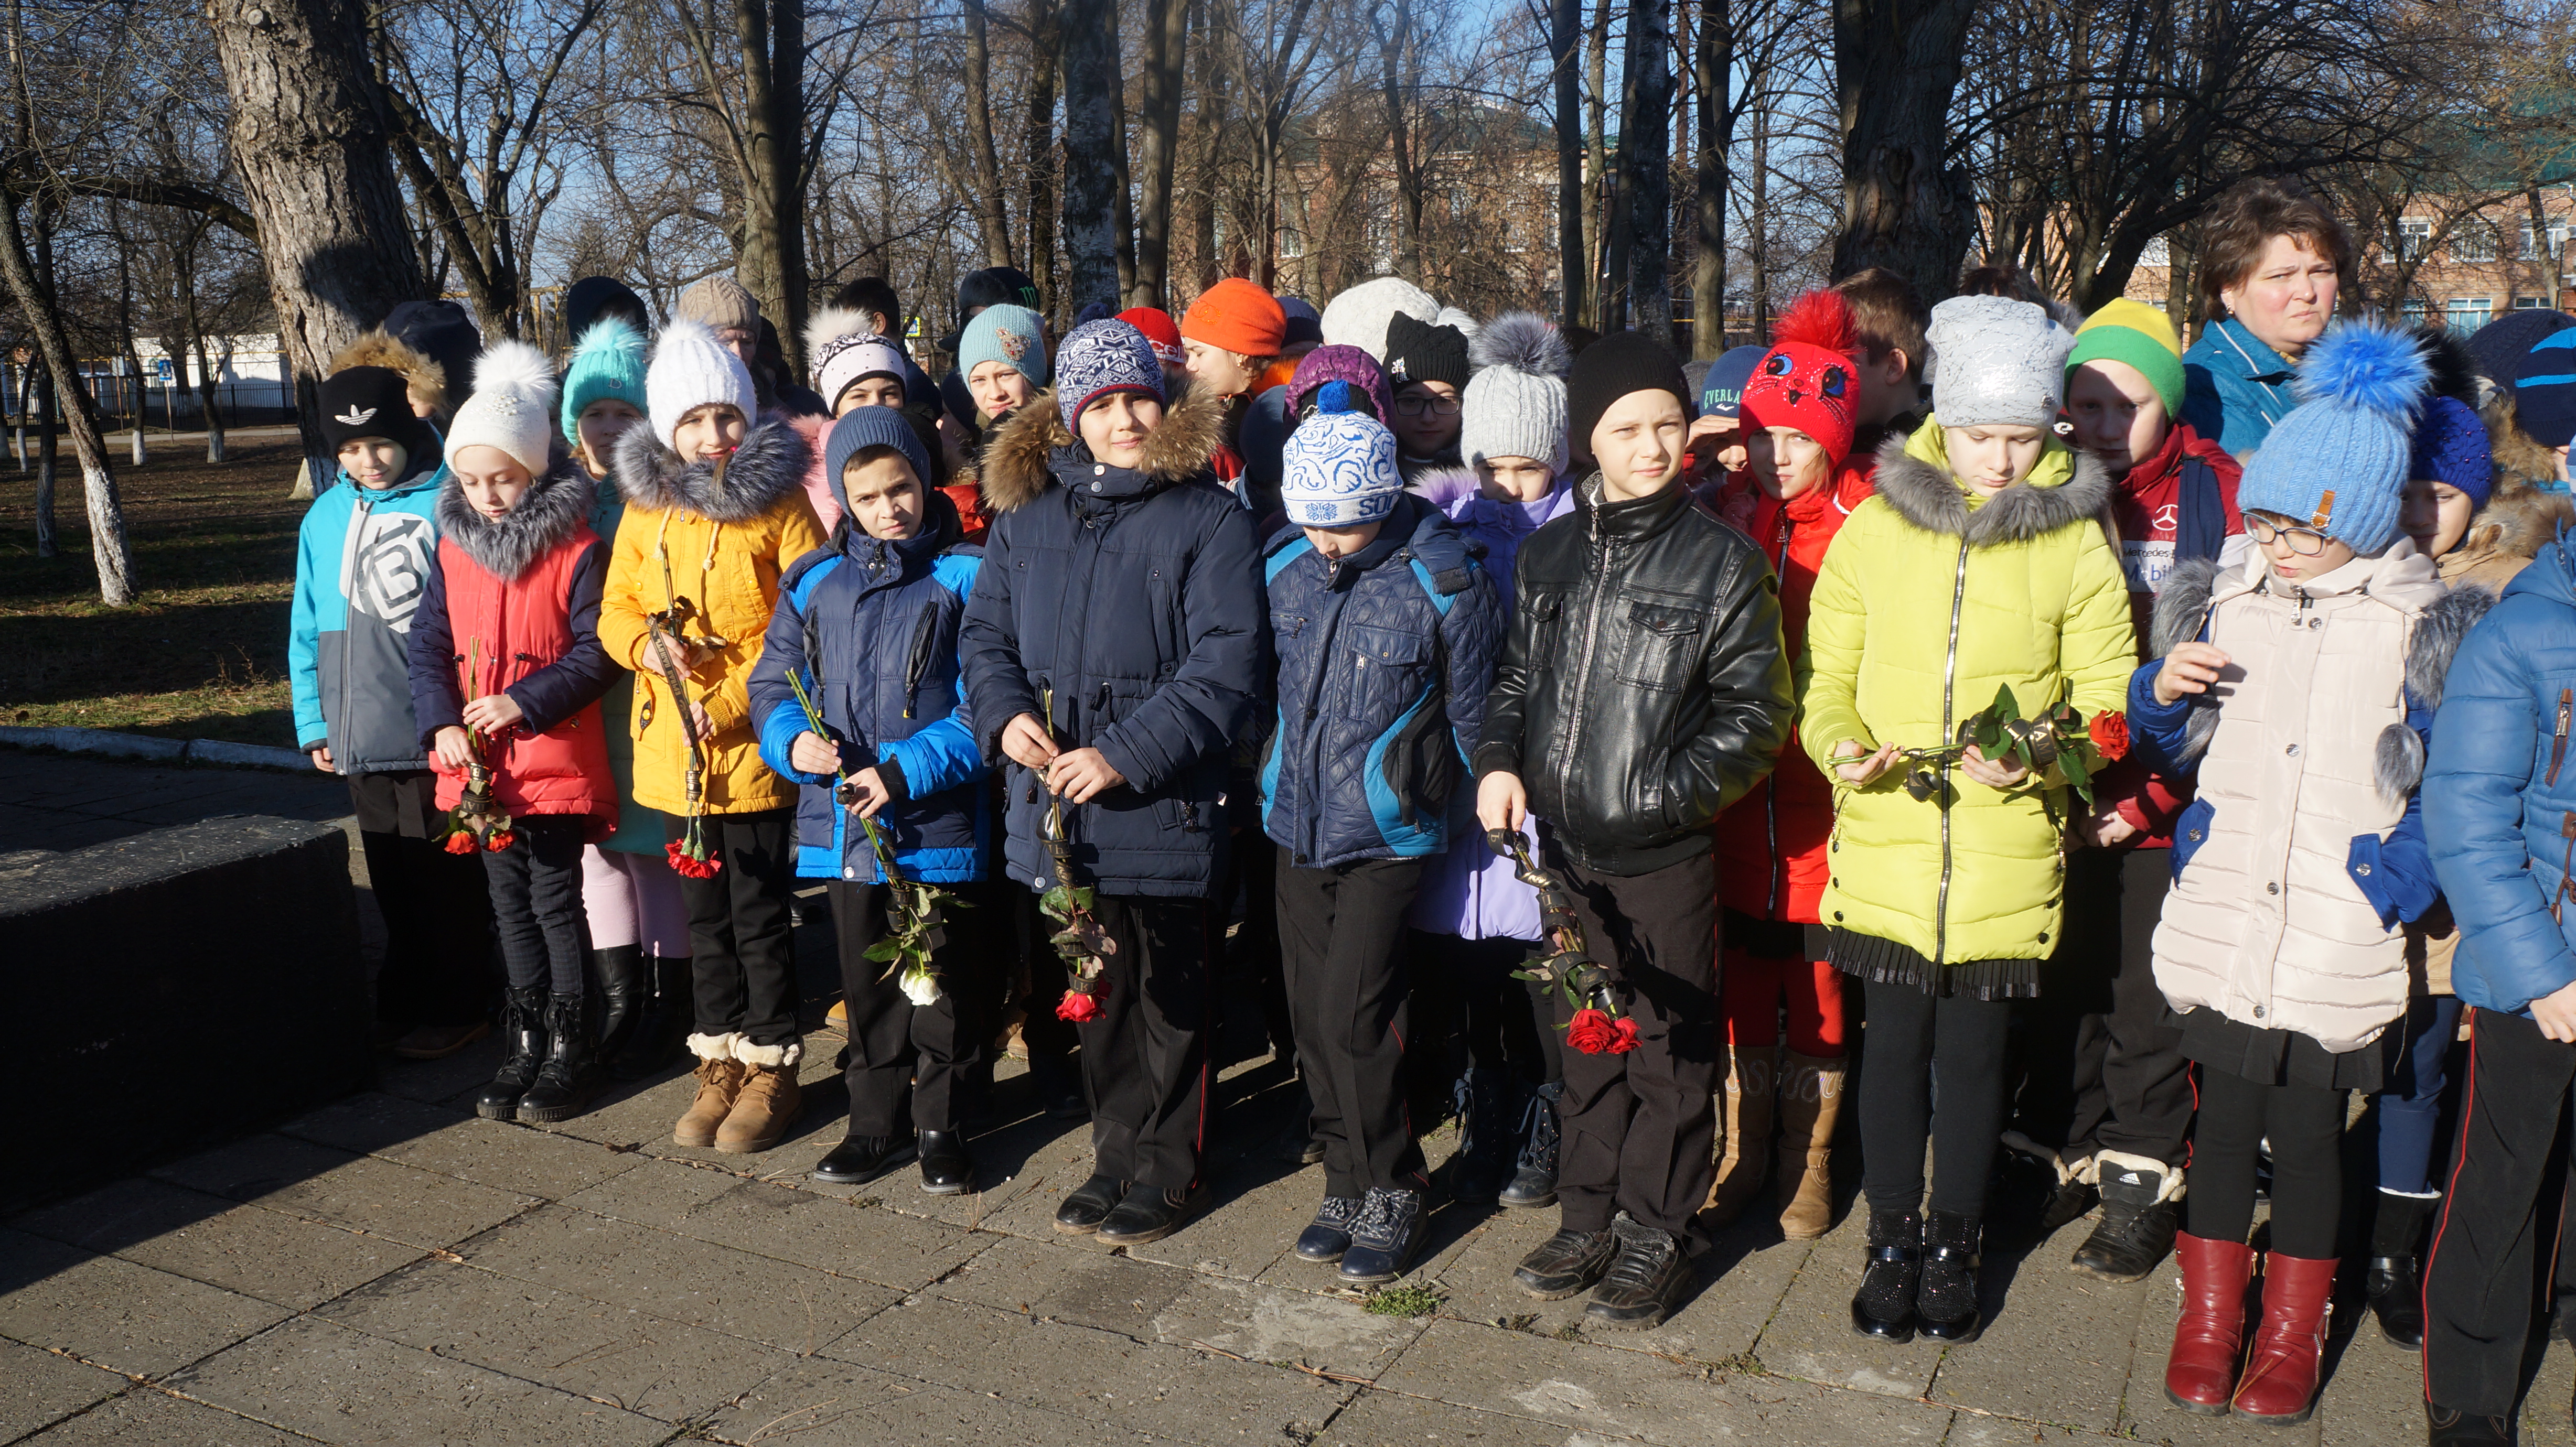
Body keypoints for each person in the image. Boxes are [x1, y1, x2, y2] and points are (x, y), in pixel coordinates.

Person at [2138, 319, 2467, 1425]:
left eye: (2297, 527)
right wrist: (2158, 697)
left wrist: (2398, 878)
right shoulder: (2228, 600)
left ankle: (2289, 1329)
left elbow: (2450, 776)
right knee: (2222, 1125)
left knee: (2312, 1141)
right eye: (2262, 520)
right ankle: (2206, 1317)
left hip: (2336, 919)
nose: (2273, 543)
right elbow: (2166, 746)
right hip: (2229, 907)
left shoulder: (2412, 625)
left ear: (2360, 521)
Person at [1803, 296, 2133, 1345]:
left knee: (1976, 1059)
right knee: (1892, 1050)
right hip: (1891, 843)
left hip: (2003, 850)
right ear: (1943, 418)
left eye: (2022, 436)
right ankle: (1889, 1240)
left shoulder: (2075, 538)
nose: (1998, 459)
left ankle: (1956, 1240)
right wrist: (1840, 749)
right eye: (1981, 434)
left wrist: (2039, 750)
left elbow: (2107, 692)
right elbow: (1826, 679)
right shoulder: (1874, 525)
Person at [1474, 330, 1794, 1330]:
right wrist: (1497, 761)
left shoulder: (1721, 564)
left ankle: (1657, 1226)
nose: (1651, 447)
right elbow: (1518, 681)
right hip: (1562, 854)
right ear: (1588, 442)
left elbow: (1757, 718)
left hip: (1662, 853)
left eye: (1666, 424)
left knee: (1667, 1050)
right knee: (1584, 1042)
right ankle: (1586, 1215)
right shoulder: (1550, 553)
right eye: (1626, 429)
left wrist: (1659, 796)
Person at [961, 319, 1262, 1246]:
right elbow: (986, 639)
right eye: (1101, 405)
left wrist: (1125, 752)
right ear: (1069, 419)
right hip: (1060, 810)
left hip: (1161, 803)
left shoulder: (1207, 517)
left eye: (1137, 398)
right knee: (1099, 990)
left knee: (1172, 998)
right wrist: (1002, 712)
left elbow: (1225, 663)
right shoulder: (1028, 518)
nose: (1123, 419)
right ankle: (1115, 1150)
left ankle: (1170, 1167)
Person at [2019, 299, 2244, 1284]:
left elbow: (2236, 666)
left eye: (2129, 405)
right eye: (2087, 404)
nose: (2106, 426)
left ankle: (2143, 1179)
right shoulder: (2044, 488)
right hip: (2063, 787)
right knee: (2065, 986)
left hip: (2172, 794)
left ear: (2169, 407)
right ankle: (2068, 1151)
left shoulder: (2215, 496)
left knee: (2145, 1001)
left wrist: (2149, 798)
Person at [1264, 393, 1501, 1283]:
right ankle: (1343, 1173)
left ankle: (1394, 1183)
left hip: (1387, 827)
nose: (1327, 542)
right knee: (1308, 1015)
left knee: (1356, 1013)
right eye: (1313, 523)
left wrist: (1487, 796)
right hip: (1294, 818)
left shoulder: (1444, 581)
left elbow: (1476, 713)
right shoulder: (1285, 562)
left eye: (1346, 525)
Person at [599, 320, 828, 1154]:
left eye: (725, 417)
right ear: (666, 428)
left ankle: (772, 1062)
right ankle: (719, 1057)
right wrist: (647, 649)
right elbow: (616, 606)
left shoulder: (780, 504)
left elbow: (806, 621)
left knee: (760, 911)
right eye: (692, 422)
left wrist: (732, 703)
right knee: (705, 918)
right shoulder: (644, 506)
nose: (712, 437)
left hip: (750, 744)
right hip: (673, 750)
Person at [751, 408, 993, 1194]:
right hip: (847, 828)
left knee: (943, 985)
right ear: (843, 503)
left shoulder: (965, 573)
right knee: (869, 983)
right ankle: (873, 1123)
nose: (890, 509)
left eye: (902, 489)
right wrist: (793, 743)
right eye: (868, 497)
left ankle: (943, 1124)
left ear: (925, 483)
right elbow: (773, 683)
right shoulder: (817, 582)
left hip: (933, 818)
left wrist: (904, 769)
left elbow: (985, 701)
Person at [1704, 289, 1877, 1242]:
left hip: (1822, 799)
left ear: (1833, 442)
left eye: (1796, 441)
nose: (1775, 457)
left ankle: (1810, 1158)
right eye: (1762, 436)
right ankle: (1743, 1147)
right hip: (1738, 796)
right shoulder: (1727, 511)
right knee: (1741, 976)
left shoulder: (1866, 521)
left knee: (1815, 986)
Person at [410, 341, 620, 1123]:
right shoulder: (453, 546)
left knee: (554, 897)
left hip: (551, 755)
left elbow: (600, 652)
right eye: (470, 480)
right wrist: (440, 722)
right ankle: (525, 1040)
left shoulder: (575, 550)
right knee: (507, 902)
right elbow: (428, 644)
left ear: (534, 469)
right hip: (479, 770)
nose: (488, 495)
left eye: (502, 477)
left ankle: (575, 1047)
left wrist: (524, 702)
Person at [1407, 313, 1577, 1213]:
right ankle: (1487, 1114)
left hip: (1541, 783)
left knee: (1544, 959)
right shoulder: (1449, 525)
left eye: (1526, 466)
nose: (1508, 486)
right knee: (1471, 967)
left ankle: (1548, 1119)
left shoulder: (1580, 533)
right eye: (1493, 467)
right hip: (1462, 783)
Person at [2420, 465, 2576, 1447]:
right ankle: (2471, 1383)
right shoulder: (2519, 633)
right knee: (2503, 1175)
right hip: (2544, 963)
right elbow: (2468, 816)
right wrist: (2540, 971)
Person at [289, 360, 495, 1060]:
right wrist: (314, 718)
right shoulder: (325, 516)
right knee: (391, 874)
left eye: (380, 443)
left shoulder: (450, 502)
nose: (368, 461)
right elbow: (308, 622)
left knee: (448, 876)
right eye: (349, 449)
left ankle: (463, 1001)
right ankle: (404, 995)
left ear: (411, 431)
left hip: (437, 725)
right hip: (359, 728)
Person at [559, 317, 694, 1077]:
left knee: (655, 855)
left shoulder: (662, 496)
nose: (608, 429)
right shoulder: (564, 498)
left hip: (645, 697)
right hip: (582, 703)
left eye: (623, 414)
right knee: (598, 853)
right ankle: (619, 1000)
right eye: (594, 415)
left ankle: (670, 994)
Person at [2180, 177, 2352, 455]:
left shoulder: (2358, 374)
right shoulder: (2205, 387)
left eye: (2321, 271)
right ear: (2229, 290)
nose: (2307, 292)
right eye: (2281, 276)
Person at [1829, 267, 1930, 467]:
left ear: (1893, 367)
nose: (1824, 377)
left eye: (1841, 362)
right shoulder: (1819, 451)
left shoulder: (1945, 453)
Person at [1383, 313, 1470, 483]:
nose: (1428, 418)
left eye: (1444, 401)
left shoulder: (1490, 480)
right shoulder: (1370, 478)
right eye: (1411, 401)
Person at [1684, 344, 1766, 494]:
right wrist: (1677, 453)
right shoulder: (1715, 501)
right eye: (1721, 440)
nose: (1736, 458)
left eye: (1747, 438)